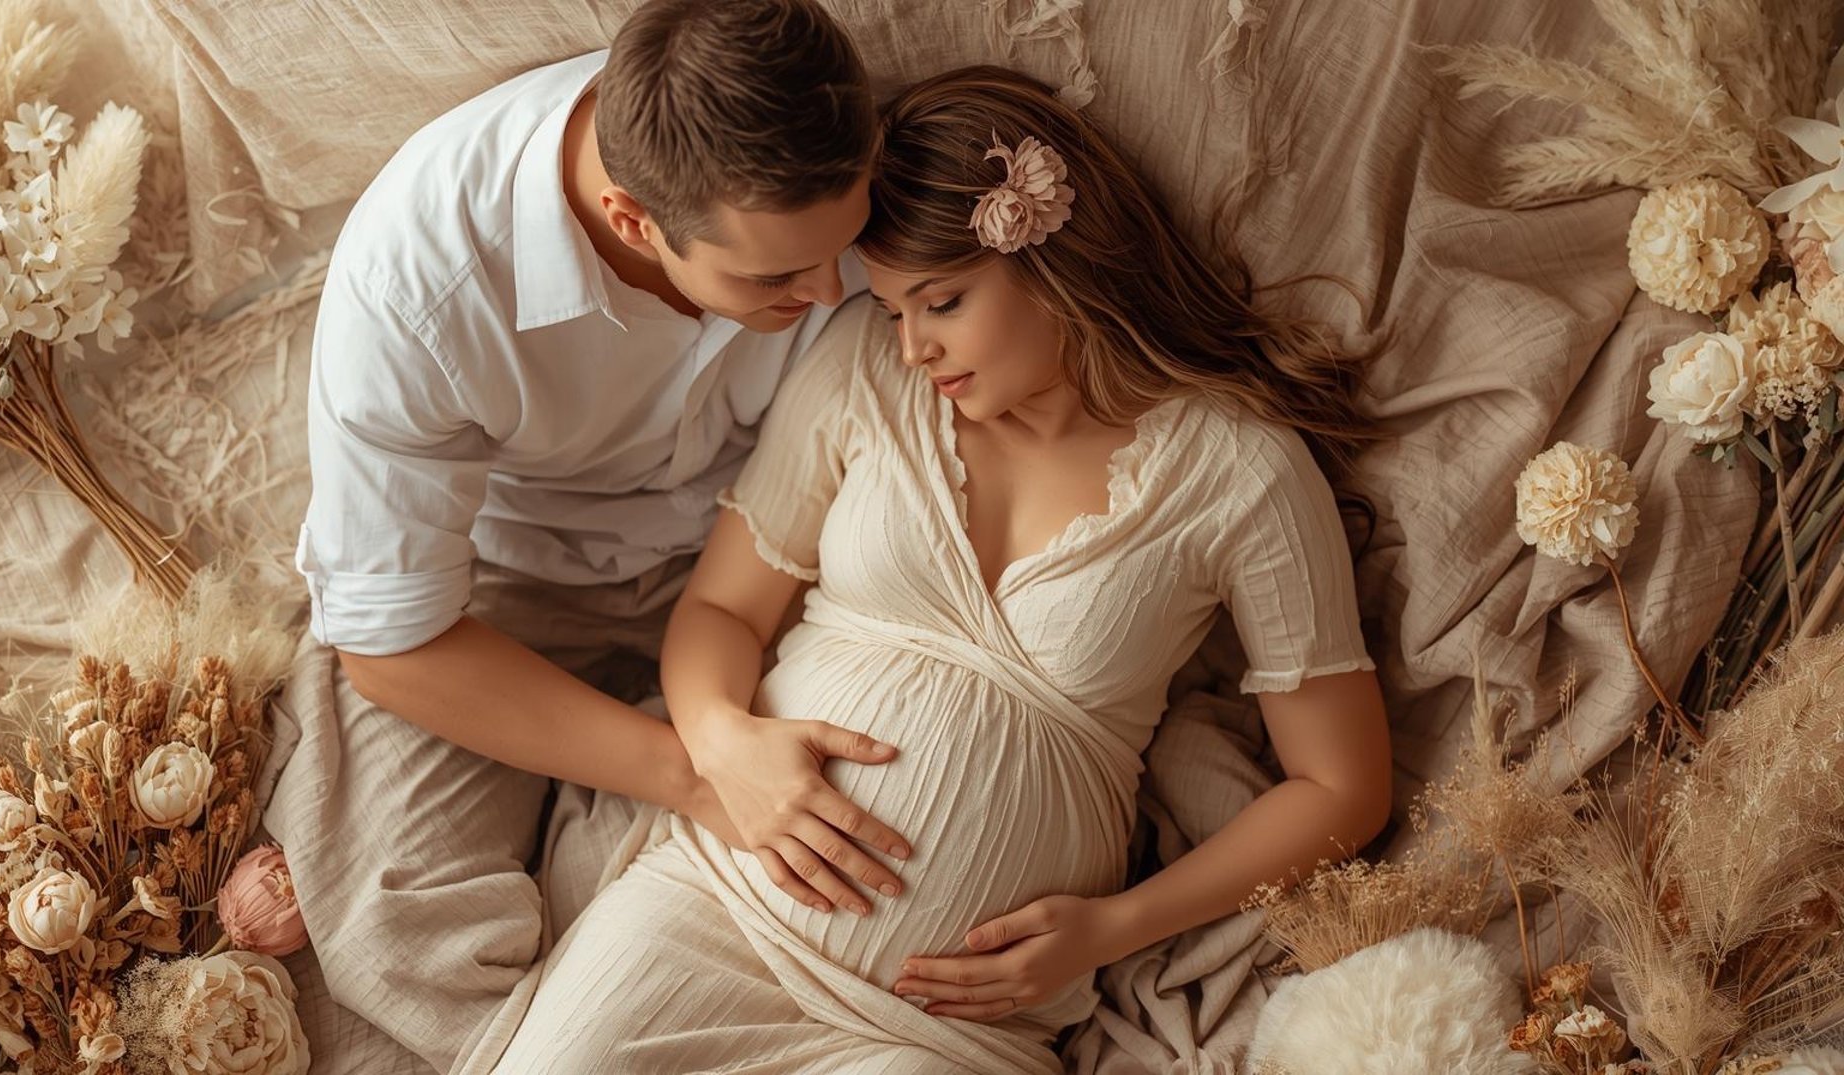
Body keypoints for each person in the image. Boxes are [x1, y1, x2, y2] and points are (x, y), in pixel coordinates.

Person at [487, 65, 1394, 1074]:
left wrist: (1116, 925)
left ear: (1057, 259)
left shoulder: (1241, 471)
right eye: (891, 310)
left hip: (943, 1025)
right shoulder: (861, 373)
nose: (914, 345)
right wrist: (719, 736)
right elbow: (720, 610)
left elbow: (1341, 783)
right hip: (717, 909)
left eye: (944, 302)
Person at [263, 1, 918, 1068]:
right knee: (385, 918)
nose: (833, 292)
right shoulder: (418, 279)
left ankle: (633, 930)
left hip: (791, 557)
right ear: (630, 221)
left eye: (843, 247)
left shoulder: (811, 159)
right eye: (774, 280)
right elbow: (393, 646)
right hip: (516, 589)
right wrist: (690, 770)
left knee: (891, 841)